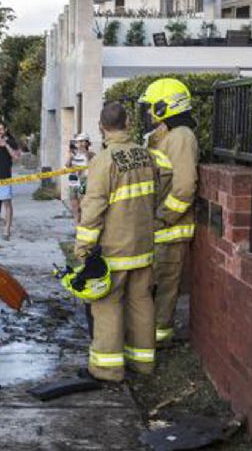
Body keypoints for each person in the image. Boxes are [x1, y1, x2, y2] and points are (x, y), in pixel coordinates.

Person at [74, 102, 157, 382]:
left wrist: (83, 248)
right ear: (128, 122)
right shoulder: (146, 155)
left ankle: (108, 369)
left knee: (107, 305)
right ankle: (143, 362)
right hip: (143, 246)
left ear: (101, 127)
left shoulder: (104, 161)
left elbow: (93, 207)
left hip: (114, 250)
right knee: (141, 302)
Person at [139, 78, 199, 346]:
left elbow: (184, 188)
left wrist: (163, 217)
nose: (148, 113)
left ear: (165, 107)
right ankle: (147, 337)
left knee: (164, 290)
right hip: (158, 229)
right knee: (153, 287)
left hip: (170, 231)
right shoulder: (165, 137)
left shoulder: (182, 138)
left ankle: (158, 340)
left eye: (151, 107)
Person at [65, 133, 95, 223]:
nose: (81, 144)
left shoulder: (91, 154)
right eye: (79, 142)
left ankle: (83, 221)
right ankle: (76, 221)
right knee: (73, 201)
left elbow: (94, 166)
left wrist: (87, 156)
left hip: (84, 179)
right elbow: (67, 166)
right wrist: (70, 158)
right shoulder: (73, 154)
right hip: (74, 179)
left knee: (82, 202)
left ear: (87, 143)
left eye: (82, 141)